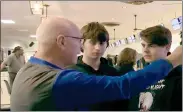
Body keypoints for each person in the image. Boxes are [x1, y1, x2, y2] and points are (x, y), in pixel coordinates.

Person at [11, 16, 182, 111]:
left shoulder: (26, 71)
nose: (80, 46)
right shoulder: (58, 80)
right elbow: (124, 86)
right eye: (79, 40)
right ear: (62, 41)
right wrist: (172, 59)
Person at [67, 22, 125, 110]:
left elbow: (120, 104)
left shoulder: (113, 73)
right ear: (82, 43)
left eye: (101, 43)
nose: (97, 48)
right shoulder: (70, 73)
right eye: (93, 42)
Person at [129, 25, 182, 111]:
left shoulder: (178, 78)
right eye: (143, 45)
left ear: (167, 47)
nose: (145, 50)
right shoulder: (141, 75)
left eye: (151, 45)